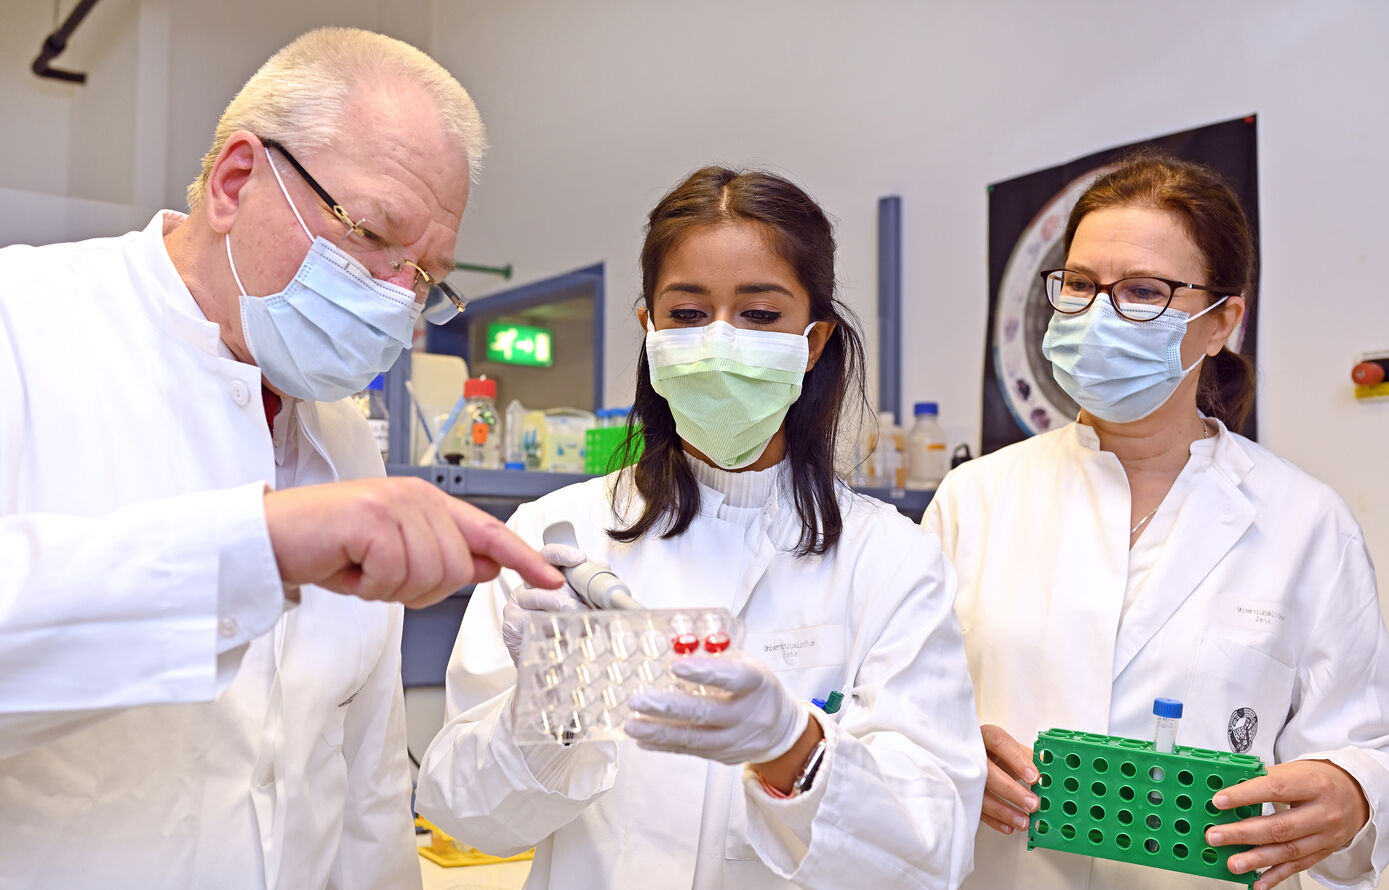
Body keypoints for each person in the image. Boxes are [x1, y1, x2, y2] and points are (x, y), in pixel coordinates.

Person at [0, 27, 563, 890]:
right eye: (372, 234)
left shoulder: (340, 438)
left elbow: (365, 786)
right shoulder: (23, 327)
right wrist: (254, 548)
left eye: (422, 278)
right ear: (235, 181)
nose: (393, 299)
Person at [414, 166, 986, 889]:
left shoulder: (893, 559)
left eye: (758, 315)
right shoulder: (558, 535)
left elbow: (930, 852)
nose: (719, 341)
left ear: (812, 343)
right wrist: (552, 706)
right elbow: (463, 814)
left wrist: (793, 748)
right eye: (686, 313)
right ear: (648, 329)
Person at [925, 153, 1389, 890]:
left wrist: (1356, 789)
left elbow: (1362, 741)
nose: (1097, 314)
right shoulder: (971, 499)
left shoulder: (1306, 523)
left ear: (1221, 323)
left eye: (1143, 291)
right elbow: (899, 709)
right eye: (1078, 284)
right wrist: (942, 752)